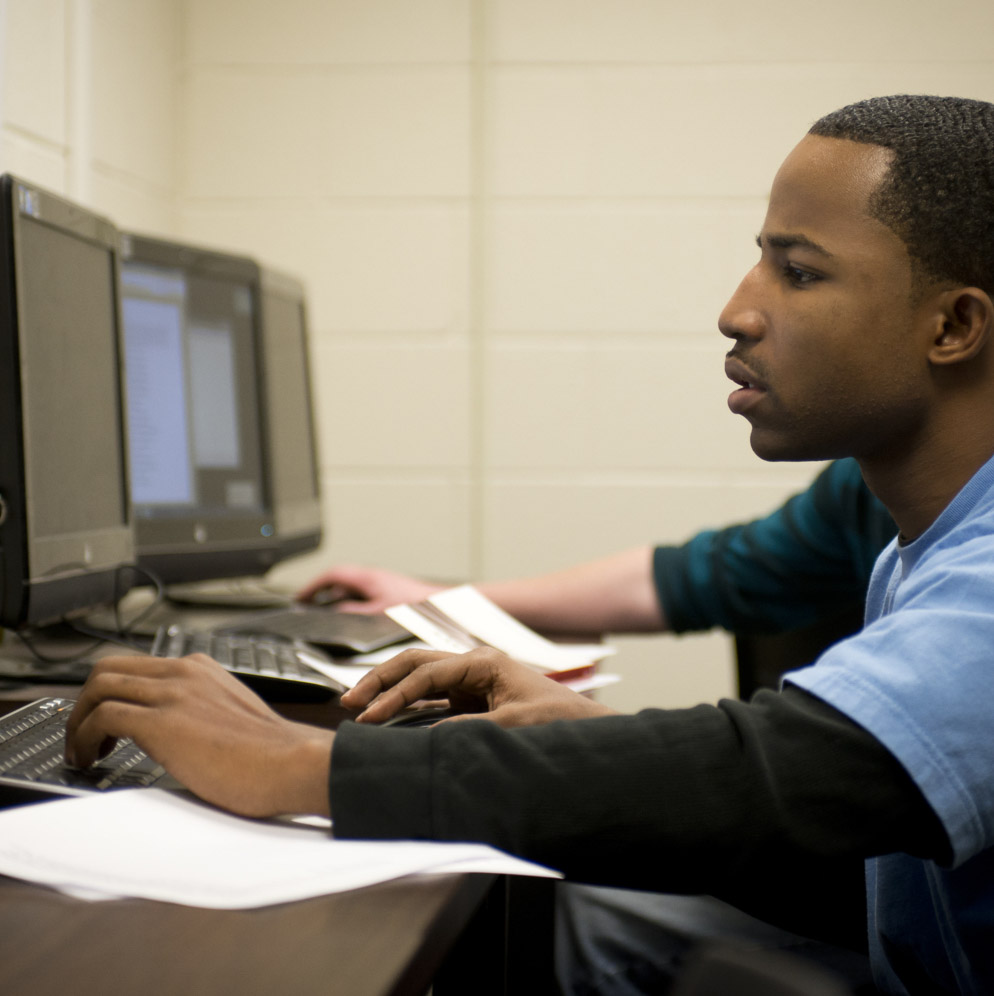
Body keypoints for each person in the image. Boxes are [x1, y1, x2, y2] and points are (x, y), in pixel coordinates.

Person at [65, 95, 994, 994]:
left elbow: (780, 774)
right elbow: (868, 861)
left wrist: (296, 764)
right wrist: (583, 739)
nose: (737, 311)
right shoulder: (912, 545)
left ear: (953, 325)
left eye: (798, 272)